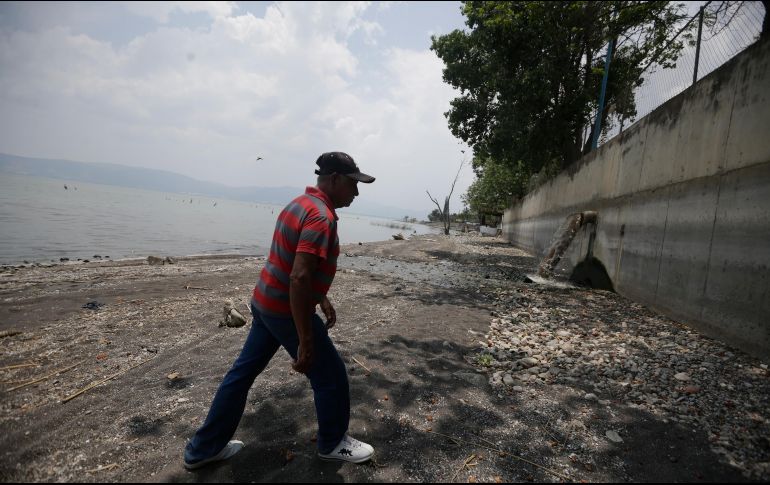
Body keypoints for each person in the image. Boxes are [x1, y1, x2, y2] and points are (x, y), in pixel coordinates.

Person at [183, 152, 376, 470]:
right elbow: (299, 276)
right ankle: (333, 443)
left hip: (265, 302)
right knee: (330, 376)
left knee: (241, 375)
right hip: (284, 309)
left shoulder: (299, 204)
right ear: (335, 180)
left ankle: (203, 449)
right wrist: (306, 339)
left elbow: (292, 262)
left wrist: (320, 297)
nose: (356, 192)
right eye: (354, 184)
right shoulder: (320, 217)